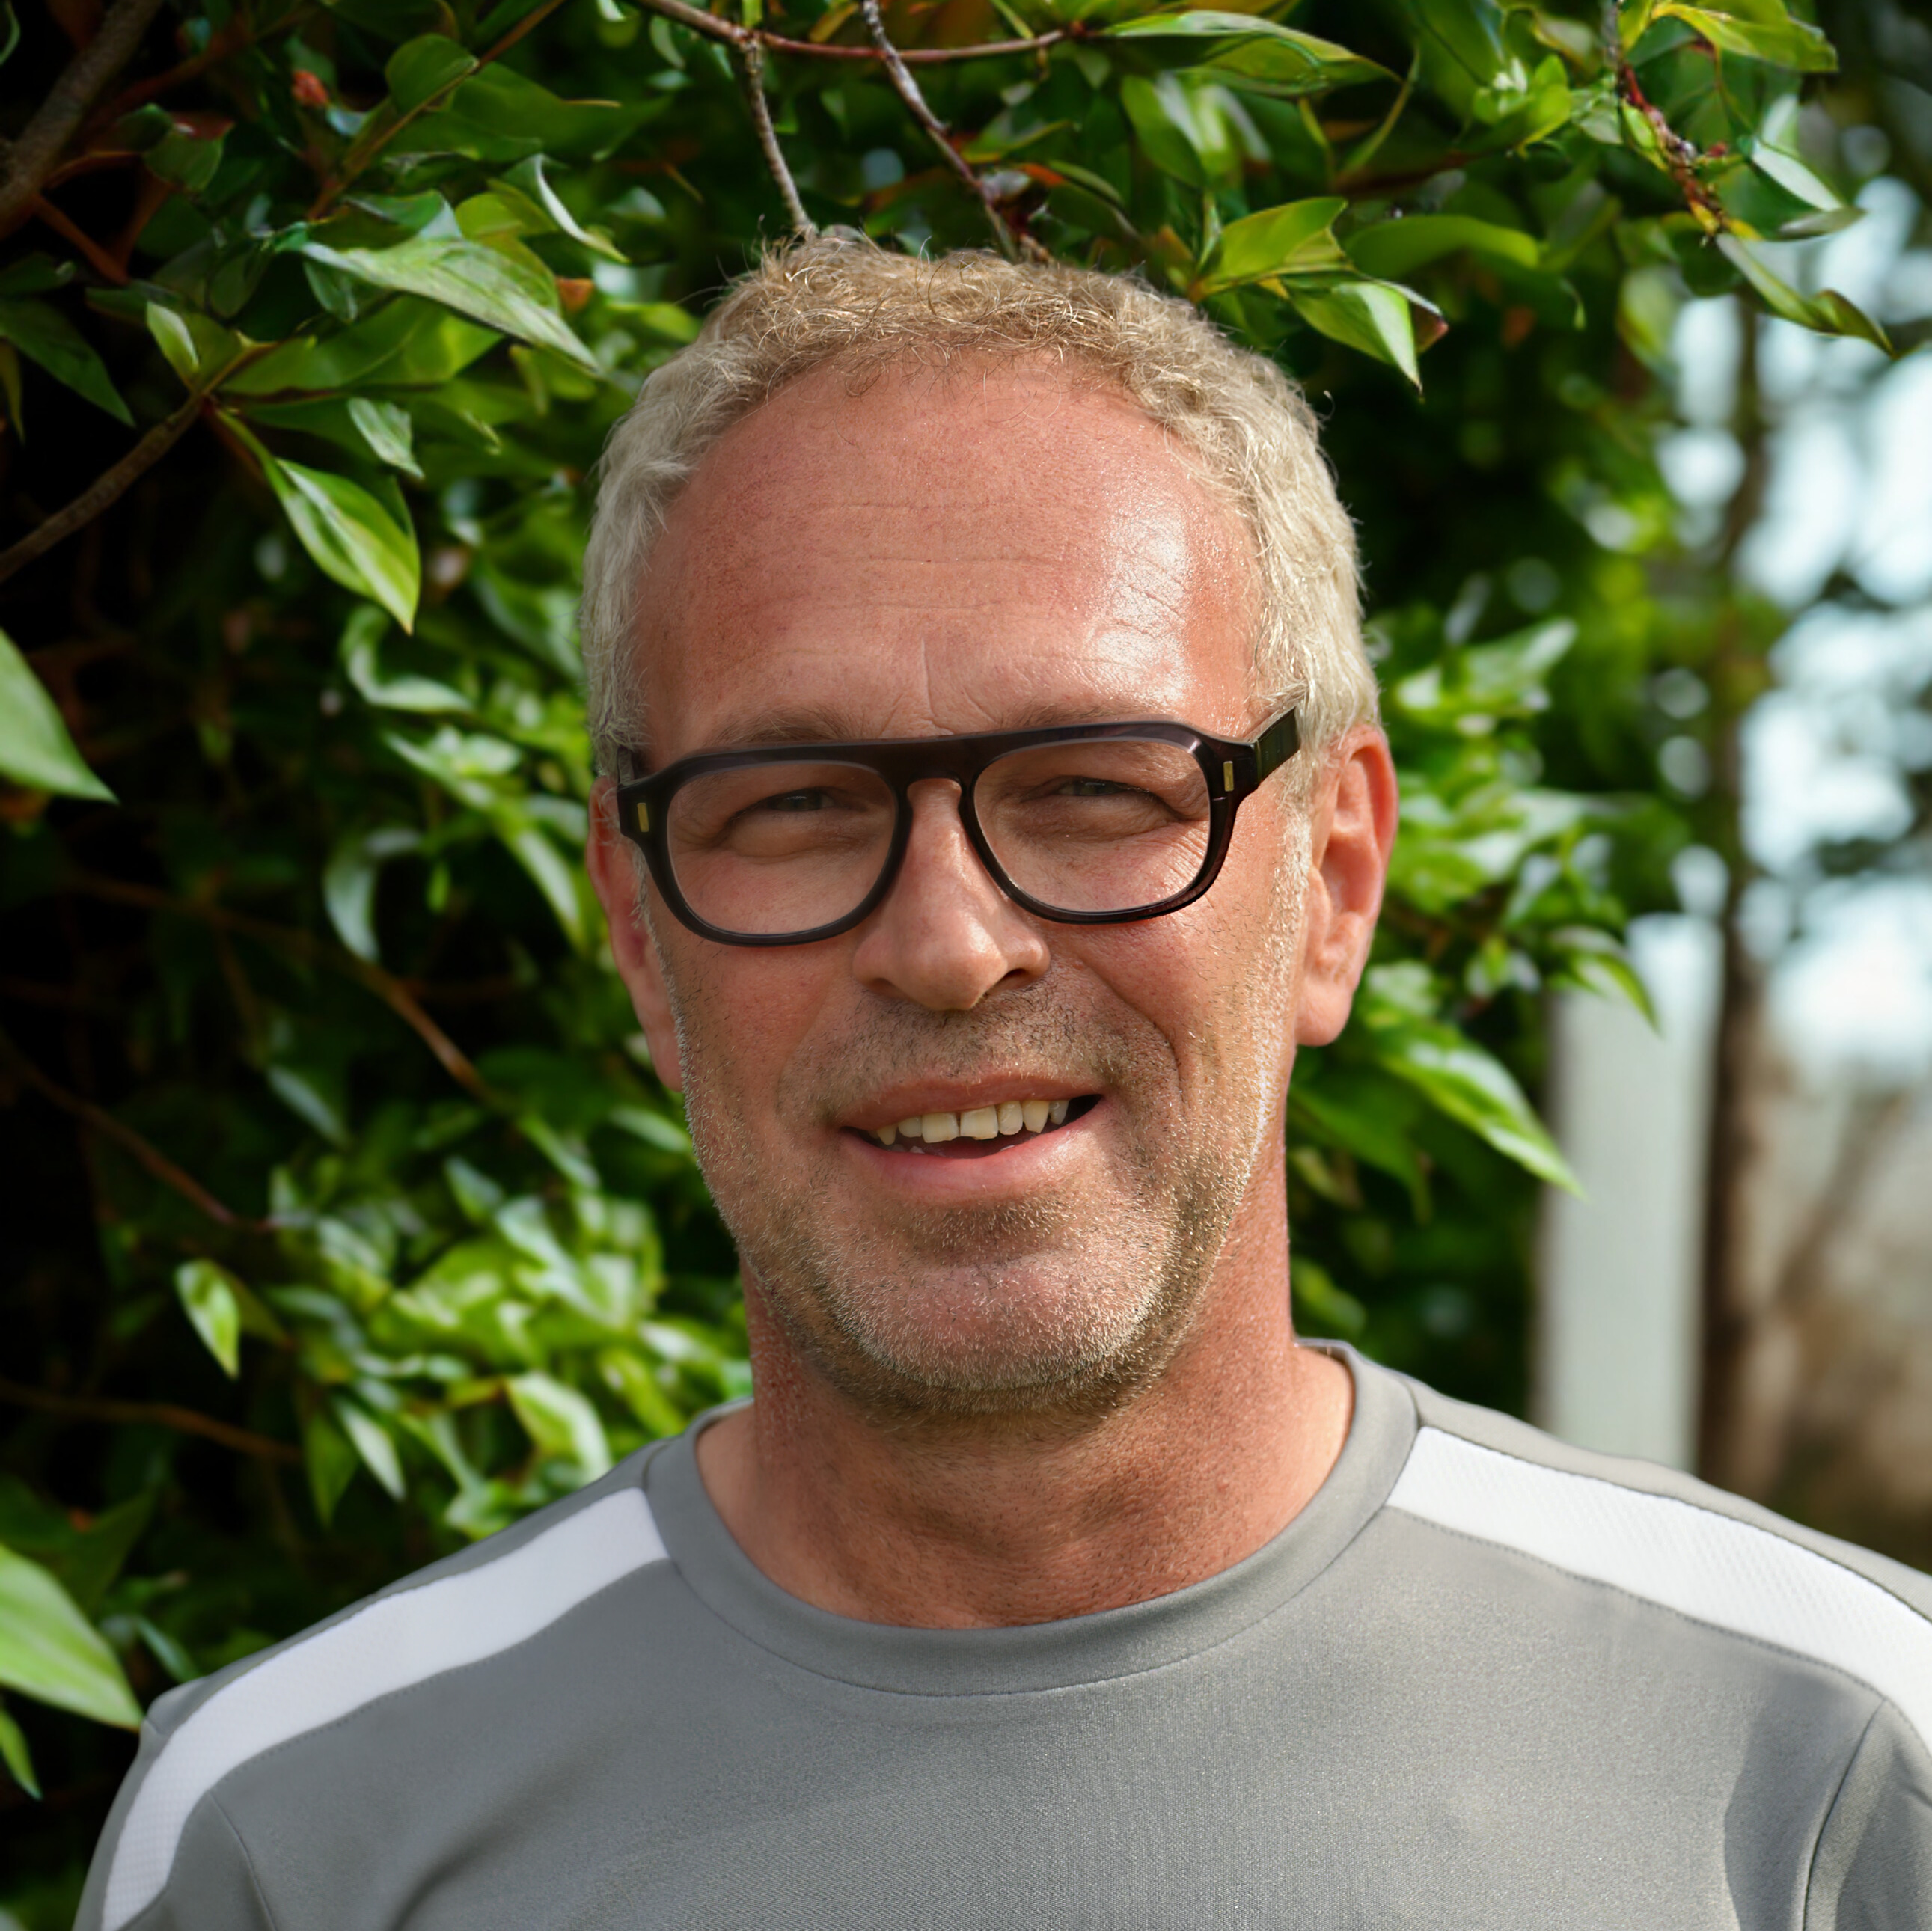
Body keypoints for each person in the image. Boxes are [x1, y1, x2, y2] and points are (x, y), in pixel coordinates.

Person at [79, 238, 1931, 1931]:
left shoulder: (1832, 1763)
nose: (949, 945)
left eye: (1096, 785)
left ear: (1332, 881)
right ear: (639, 931)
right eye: (797, 805)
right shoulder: (290, 1841)